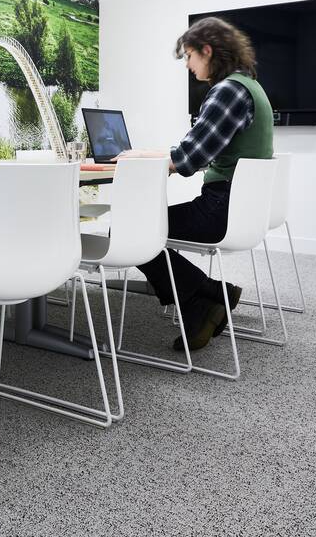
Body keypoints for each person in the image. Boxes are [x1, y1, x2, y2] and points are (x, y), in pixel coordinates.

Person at [115, 17, 274, 351]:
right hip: (240, 207)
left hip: (220, 208)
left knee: (131, 230)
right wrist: (152, 153)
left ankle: (206, 299)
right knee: (142, 228)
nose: (188, 65)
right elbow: (193, 150)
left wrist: (141, 158)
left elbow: (188, 159)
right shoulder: (251, 86)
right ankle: (208, 297)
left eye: (189, 56)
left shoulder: (228, 90)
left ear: (207, 51)